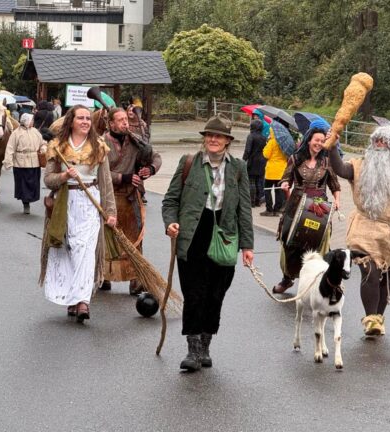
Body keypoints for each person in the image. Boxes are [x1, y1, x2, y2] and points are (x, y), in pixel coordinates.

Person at [162, 115, 254, 372]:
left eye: (219, 136)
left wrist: (247, 246)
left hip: (224, 236)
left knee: (215, 295)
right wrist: (170, 222)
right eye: (209, 135)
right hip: (192, 235)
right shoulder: (189, 163)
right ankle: (192, 350)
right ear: (204, 138)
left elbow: (244, 210)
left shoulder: (238, 168)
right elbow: (170, 201)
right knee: (194, 293)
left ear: (227, 141)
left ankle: (205, 344)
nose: (213, 140)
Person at [327, 125, 390, 336]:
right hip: (367, 229)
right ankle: (371, 319)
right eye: (376, 141)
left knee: (386, 277)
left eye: (384, 141)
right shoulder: (361, 165)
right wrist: (332, 147)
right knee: (371, 273)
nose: (379, 145)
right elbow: (341, 169)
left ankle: (378, 318)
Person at [40, 105, 117, 323]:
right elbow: (48, 180)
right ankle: (73, 298)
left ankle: (83, 300)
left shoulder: (99, 147)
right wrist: (64, 175)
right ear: (71, 121)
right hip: (66, 203)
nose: (85, 121)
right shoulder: (57, 146)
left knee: (85, 249)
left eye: (87, 118)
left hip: (90, 202)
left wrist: (110, 211)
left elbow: (106, 182)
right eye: (80, 118)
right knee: (70, 249)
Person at [272, 123, 341, 293]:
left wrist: (337, 200)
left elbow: (335, 185)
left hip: (319, 208)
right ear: (309, 140)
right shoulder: (295, 158)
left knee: (319, 243)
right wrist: (285, 184)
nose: (319, 143)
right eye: (316, 140)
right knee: (290, 242)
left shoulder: (327, 161)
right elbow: (285, 178)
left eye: (322, 141)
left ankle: (322, 282)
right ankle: (287, 279)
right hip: (296, 205)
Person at [101, 106, 162, 295]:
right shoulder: (101, 142)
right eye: (120, 120)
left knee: (136, 239)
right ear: (111, 123)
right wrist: (123, 177)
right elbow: (98, 172)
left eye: (125, 120)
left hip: (130, 198)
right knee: (106, 239)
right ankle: (103, 276)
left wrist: (150, 169)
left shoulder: (136, 141)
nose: (125, 123)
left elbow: (156, 157)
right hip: (108, 199)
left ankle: (136, 280)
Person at [3, 113, 47, 214]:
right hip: (21, 163)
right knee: (23, 185)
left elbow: (43, 143)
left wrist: (43, 148)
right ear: (25, 121)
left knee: (33, 184)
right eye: (31, 120)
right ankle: (25, 203)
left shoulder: (35, 131)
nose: (32, 122)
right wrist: (8, 162)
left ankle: (29, 200)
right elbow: (10, 148)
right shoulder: (16, 133)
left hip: (34, 162)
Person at [261, 113, 288, 217]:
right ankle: (277, 209)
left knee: (267, 190)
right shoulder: (284, 143)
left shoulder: (272, 142)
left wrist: (266, 145)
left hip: (271, 171)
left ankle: (269, 209)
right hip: (281, 171)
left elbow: (266, 155)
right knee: (278, 191)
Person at [242, 118, 267, 207]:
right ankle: (258, 201)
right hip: (262, 161)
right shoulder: (264, 138)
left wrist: (243, 160)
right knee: (259, 182)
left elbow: (247, 150)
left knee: (251, 181)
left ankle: (251, 202)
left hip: (253, 161)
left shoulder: (251, 136)